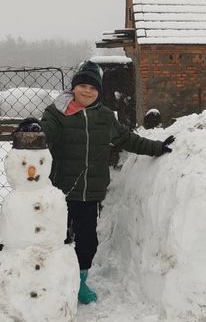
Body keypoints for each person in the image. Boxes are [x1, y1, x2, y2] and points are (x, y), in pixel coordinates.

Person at [39, 60, 174, 304]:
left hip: (90, 193)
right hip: (60, 190)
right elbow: (46, 130)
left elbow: (127, 139)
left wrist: (156, 147)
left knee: (88, 241)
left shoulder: (104, 117)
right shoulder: (57, 113)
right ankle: (50, 283)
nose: (87, 91)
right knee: (56, 237)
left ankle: (80, 283)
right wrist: (35, 132)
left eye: (93, 88)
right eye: (83, 86)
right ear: (74, 88)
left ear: (99, 92)